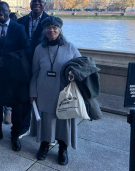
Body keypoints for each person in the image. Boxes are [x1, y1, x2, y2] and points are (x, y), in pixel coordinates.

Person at [30, 16, 81, 165]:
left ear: (60, 29)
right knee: (46, 121)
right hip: (44, 91)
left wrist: (74, 74)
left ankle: (63, 149)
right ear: (44, 30)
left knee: (63, 121)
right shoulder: (39, 49)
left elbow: (81, 68)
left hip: (64, 92)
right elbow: (34, 72)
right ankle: (44, 146)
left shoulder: (70, 47)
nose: (51, 30)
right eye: (48, 28)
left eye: (55, 27)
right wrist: (32, 93)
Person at [0, 1, 31, 152]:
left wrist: (9, 59)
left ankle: (15, 136)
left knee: (15, 106)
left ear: (9, 11)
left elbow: (26, 50)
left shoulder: (18, 28)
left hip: (13, 75)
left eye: (3, 10)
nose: (0, 13)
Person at [17, 0, 49, 136]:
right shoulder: (20, 21)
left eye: (39, 1)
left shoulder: (50, 22)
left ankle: (41, 127)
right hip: (23, 65)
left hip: (41, 66)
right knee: (24, 97)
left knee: (41, 97)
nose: (36, 4)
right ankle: (24, 124)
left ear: (44, 4)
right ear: (30, 4)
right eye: (34, 2)